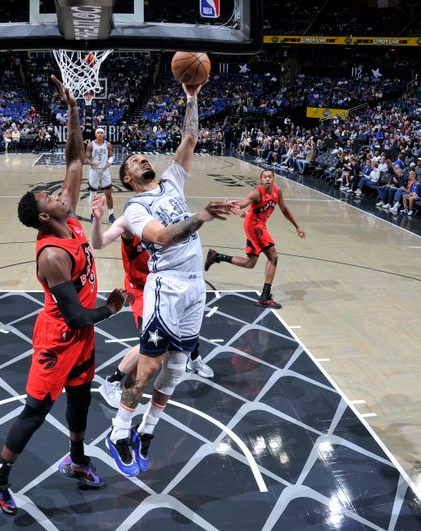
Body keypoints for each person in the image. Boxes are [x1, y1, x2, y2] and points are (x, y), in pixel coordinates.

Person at [0, 75, 127, 516]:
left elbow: (73, 162)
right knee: (35, 412)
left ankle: (77, 460)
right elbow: (78, 316)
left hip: (81, 337)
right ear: (45, 214)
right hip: (58, 335)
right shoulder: (51, 256)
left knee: (80, 398)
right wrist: (112, 308)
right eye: (51, 196)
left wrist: (72, 109)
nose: (61, 193)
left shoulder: (71, 221)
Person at [105, 79, 238, 478]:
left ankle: (147, 430)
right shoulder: (134, 207)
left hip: (194, 285)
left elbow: (190, 138)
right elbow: (162, 237)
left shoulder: (171, 181)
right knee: (147, 368)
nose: (141, 160)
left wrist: (192, 97)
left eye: (143, 156)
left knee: (177, 368)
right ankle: (119, 431)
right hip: (166, 287)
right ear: (127, 178)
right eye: (132, 162)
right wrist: (202, 215)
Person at [89, 195, 213, 410]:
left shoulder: (164, 218)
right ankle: (111, 382)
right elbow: (98, 243)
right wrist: (97, 219)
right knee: (153, 341)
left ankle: (194, 358)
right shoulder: (128, 221)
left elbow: (187, 225)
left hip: (170, 282)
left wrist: (205, 214)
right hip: (141, 288)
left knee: (186, 320)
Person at [204, 169, 305, 309]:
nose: (268, 179)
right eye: (265, 177)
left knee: (250, 263)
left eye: (270, 176)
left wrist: (297, 226)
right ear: (261, 180)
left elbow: (284, 210)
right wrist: (232, 205)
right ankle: (265, 297)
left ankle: (216, 256)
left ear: (274, 178)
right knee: (273, 257)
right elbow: (243, 203)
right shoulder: (257, 192)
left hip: (258, 225)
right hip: (254, 226)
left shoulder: (277, 192)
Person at [85, 127, 115, 223]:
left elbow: (111, 156)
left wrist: (110, 162)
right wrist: (93, 164)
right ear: (95, 134)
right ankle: (92, 214)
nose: (100, 134)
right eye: (98, 133)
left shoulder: (108, 144)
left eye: (102, 133)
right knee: (93, 194)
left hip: (105, 170)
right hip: (94, 171)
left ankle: (111, 214)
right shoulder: (90, 145)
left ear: (104, 134)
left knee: (108, 193)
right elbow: (87, 159)